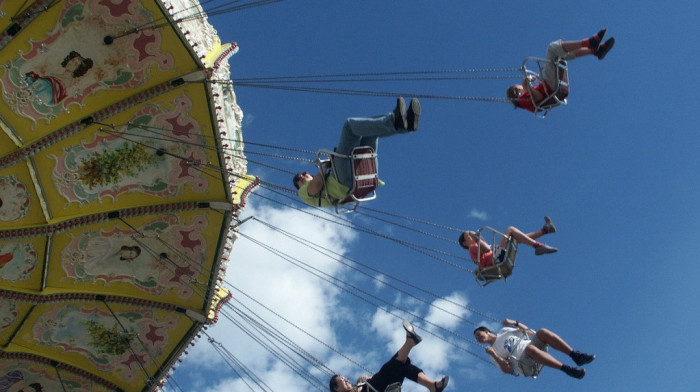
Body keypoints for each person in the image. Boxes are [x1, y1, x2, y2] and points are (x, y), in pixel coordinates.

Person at [293, 97, 420, 208]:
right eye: (299, 177)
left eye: (304, 173)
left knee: (370, 129)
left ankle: (405, 123)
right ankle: (394, 121)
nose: (303, 175)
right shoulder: (303, 192)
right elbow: (316, 186)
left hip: (356, 180)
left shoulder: (323, 179)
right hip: (343, 184)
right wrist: (325, 167)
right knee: (349, 126)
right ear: (299, 185)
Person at [507, 28, 615, 113]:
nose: (522, 88)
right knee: (552, 48)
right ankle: (589, 43)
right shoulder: (522, 99)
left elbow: (543, 101)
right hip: (551, 86)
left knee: (561, 55)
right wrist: (526, 85)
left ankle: (595, 51)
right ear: (516, 91)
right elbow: (539, 97)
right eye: (519, 87)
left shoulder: (527, 103)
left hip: (551, 87)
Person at [329, 320, 448, 392]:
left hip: (382, 386)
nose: (346, 380)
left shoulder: (356, 385)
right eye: (342, 380)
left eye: (345, 378)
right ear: (336, 389)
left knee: (401, 366)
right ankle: (409, 342)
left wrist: (364, 380)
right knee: (391, 367)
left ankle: (432, 386)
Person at [474, 319, 595, 379]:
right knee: (530, 349)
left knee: (542, 332)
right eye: (477, 339)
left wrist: (514, 322)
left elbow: (528, 332)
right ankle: (567, 369)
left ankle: (575, 355)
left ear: (486, 331)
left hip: (531, 347)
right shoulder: (492, 353)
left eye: (479, 335)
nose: (479, 339)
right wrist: (495, 355)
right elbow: (509, 371)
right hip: (524, 364)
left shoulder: (504, 332)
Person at [458, 216, 557, 269]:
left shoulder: (476, 247)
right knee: (510, 229)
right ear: (464, 243)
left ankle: (545, 230)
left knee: (517, 238)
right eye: (468, 237)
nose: (472, 237)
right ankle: (538, 246)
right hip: (496, 258)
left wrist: (476, 236)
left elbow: (485, 245)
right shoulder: (472, 248)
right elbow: (488, 249)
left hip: (496, 255)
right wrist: (467, 234)